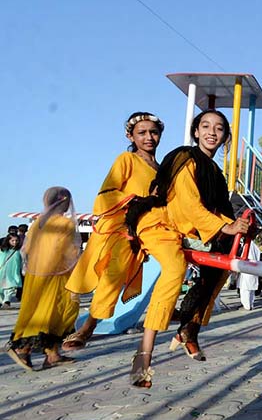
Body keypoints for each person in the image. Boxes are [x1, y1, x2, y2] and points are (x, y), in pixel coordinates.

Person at [124, 109, 250, 388]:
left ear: (225, 136)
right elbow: (188, 204)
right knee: (175, 270)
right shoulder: (186, 157)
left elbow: (218, 210)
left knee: (221, 265)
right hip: (161, 223)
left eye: (218, 128)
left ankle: (189, 329)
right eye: (205, 126)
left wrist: (237, 227)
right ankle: (143, 356)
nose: (211, 132)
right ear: (195, 132)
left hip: (189, 227)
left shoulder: (215, 172)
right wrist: (225, 227)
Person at [63, 111, 163, 350]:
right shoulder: (126, 160)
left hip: (153, 230)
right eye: (142, 133)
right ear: (131, 136)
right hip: (124, 229)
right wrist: (139, 200)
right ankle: (87, 328)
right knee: (112, 278)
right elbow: (107, 194)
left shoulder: (163, 169)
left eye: (153, 132)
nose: (149, 137)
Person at [5, 187, 81, 371]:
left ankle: (52, 354)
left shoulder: (38, 222)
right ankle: (24, 348)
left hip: (35, 275)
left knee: (35, 309)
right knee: (59, 311)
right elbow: (68, 251)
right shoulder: (65, 224)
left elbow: (28, 248)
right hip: (57, 275)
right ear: (64, 202)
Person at [238, 241, 262, 311]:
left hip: (247, 269)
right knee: (251, 289)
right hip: (253, 269)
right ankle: (250, 304)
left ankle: (246, 306)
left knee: (245, 289)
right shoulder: (255, 246)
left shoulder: (248, 246)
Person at [0, 234, 23, 308]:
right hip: (2, 271)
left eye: (16, 240)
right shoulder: (2, 250)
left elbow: (23, 261)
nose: (15, 242)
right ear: (8, 240)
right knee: (1, 288)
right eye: (12, 240)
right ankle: (2, 301)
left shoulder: (19, 250)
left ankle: (7, 301)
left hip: (13, 272)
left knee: (11, 287)